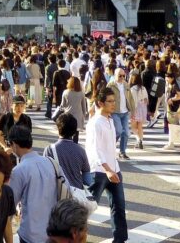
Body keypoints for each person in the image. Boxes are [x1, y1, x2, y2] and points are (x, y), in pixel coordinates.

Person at [86, 87, 127, 243]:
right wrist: (108, 170)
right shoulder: (95, 123)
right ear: (100, 103)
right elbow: (95, 150)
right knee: (87, 208)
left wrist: (113, 168)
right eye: (109, 101)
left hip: (114, 168)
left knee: (119, 207)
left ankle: (120, 240)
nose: (113, 104)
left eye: (114, 101)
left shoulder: (110, 119)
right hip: (99, 171)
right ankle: (74, 236)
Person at [7, 126, 56, 243]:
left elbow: (9, 205)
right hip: (54, 231)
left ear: (14, 144)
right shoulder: (51, 163)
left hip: (31, 233)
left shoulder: (19, 170)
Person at [43, 113, 90, 190]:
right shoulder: (81, 151)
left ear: (58, 129)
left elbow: (45, 174)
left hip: (57, 193)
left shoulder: (49, 150)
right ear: (75, 132)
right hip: (76, 194)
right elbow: (87, 180)